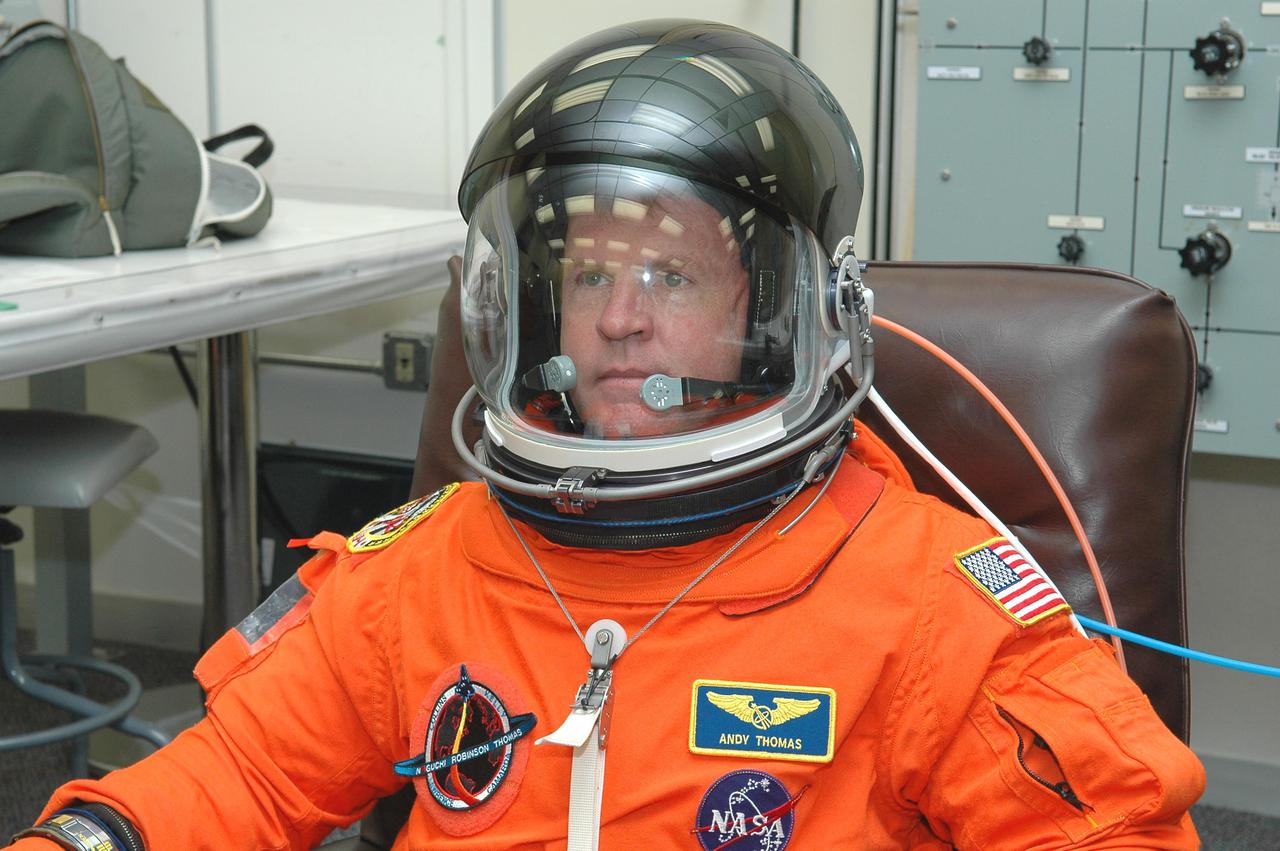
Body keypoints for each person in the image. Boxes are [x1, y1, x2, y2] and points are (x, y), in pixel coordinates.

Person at [9, 19, 1204, 851]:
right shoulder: (427, 567)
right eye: (587, 275)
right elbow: (244, 773)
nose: (622, 320)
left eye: (674, 278)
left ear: (784, 309)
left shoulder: (928, 603)